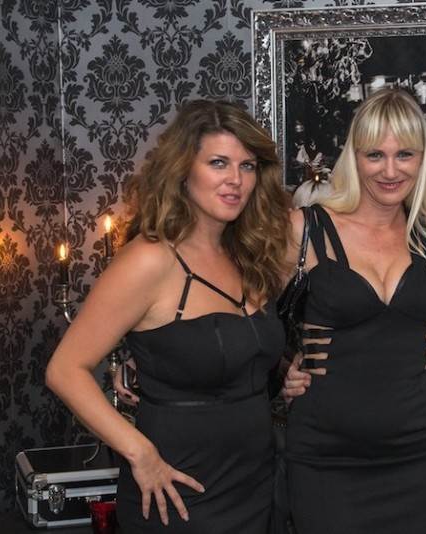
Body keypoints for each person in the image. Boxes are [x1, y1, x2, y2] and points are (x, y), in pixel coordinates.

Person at [46, 99, 291, 532]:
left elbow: (240, 357)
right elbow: (65, 370)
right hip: (180, 494)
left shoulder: (248, 253)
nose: (235, 180)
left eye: (248, 166)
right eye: (218, 163)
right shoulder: (150, 259)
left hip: (258, 484)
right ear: (183, 169)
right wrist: (139, 453)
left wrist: (288, 372)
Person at [280, 88, 426, 533]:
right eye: (375, 154)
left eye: (404, 154)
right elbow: (244, 319)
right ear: (354, 157)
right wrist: (282, 368)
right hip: (326, 461)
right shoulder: (305, 229)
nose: (390, 170)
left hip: (416, 457)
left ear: (422, 159)